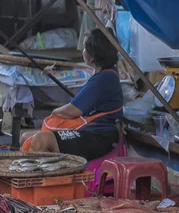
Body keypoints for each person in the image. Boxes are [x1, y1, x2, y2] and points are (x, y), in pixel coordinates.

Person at [21, 28, 123, 160]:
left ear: (91, 57)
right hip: (88, 130)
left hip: (99, 136)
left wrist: (55, 113)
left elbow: (72, 111)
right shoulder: (105, 74)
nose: (83, 52)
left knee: (40, 141)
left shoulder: (104, 79)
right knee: (25, 138)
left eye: (85, 49)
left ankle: (48, 178)